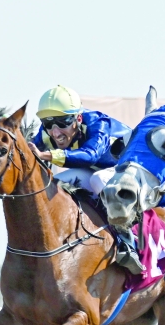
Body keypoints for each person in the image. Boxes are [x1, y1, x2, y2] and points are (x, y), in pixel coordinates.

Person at [32, 85, 141, 272]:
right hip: (98, 171)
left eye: (62, 122)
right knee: (55, 184)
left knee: (98, 180)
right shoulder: (46, 132)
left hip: (131, 170)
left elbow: (90, 155)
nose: (56, 132)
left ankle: (128, 242)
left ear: (78, 118)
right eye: (48, 124)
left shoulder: (97, 123)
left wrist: (47, 155)